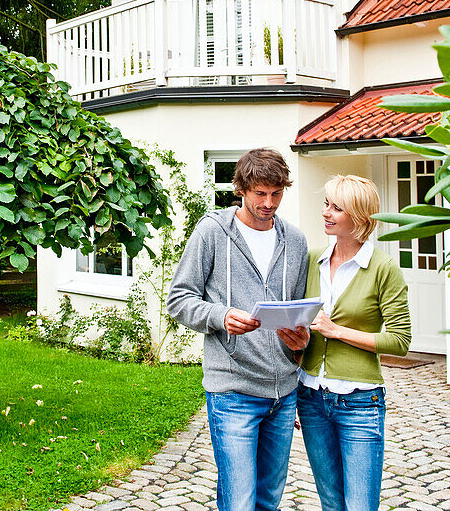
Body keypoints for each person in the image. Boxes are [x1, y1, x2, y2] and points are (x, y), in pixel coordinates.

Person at [167, 148, 312, 511]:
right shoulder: (212, 232)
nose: (269, 203)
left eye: (276, 194)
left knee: (268, 500)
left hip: (282, 393)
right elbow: (178, 299)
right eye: (260, 193)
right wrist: (220, 316)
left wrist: (300, 342)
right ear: (241, 189)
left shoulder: (294, 241)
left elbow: (295, 310)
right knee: (239, 501)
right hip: (232, 391)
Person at [297, 174, 411, 511]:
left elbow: (400, 341)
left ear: (360, 218)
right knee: (331, 503)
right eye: (326, 204)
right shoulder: (311, 260)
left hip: (360, 402)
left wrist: (338, 331)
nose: (326, 213)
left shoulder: (383, 268)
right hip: (312, 398)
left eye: (337, 208)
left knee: (360, 505)